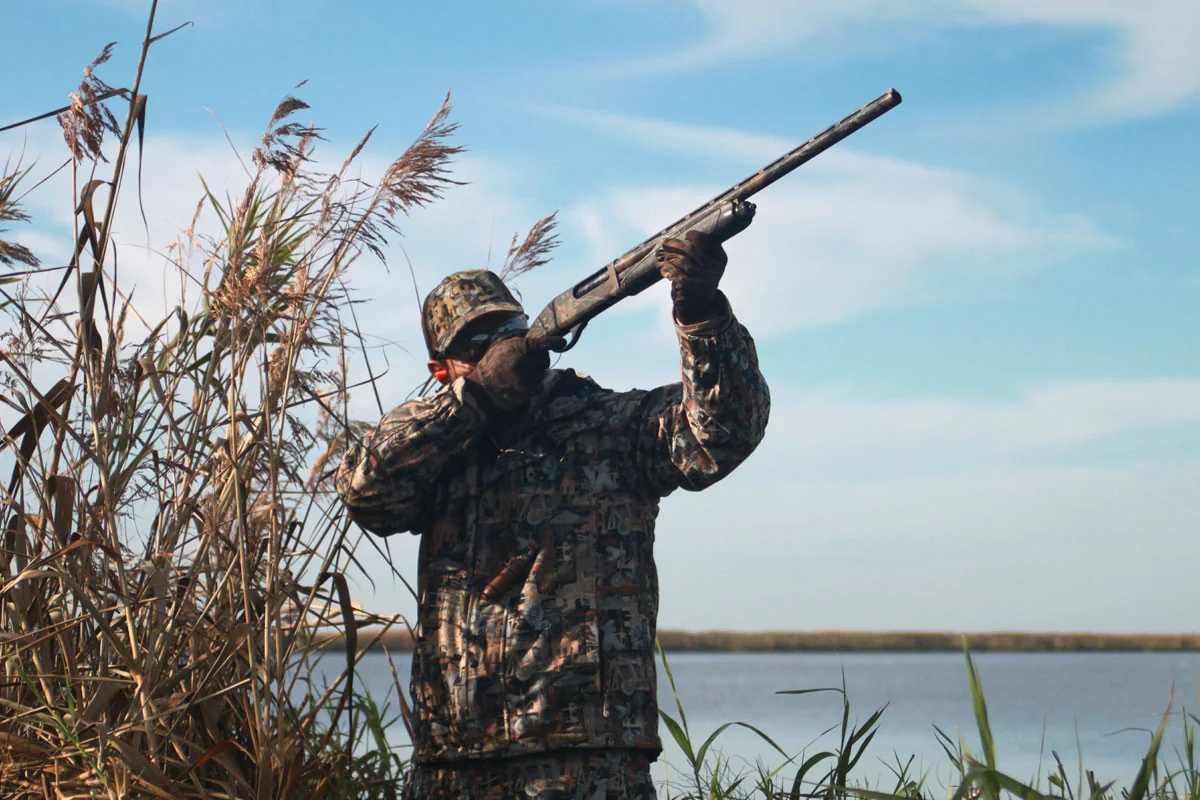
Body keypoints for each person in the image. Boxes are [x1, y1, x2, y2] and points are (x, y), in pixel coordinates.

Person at [335, 231, 770, 799]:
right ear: (441, 370)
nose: (498, 348)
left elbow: (725, 431)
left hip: (591, 759)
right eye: (475, 345)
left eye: (507, 332)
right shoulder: (437, 445)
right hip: (455, 760)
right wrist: (475, 400)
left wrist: (702, 315)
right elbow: (366, 492)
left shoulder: (611, 424)